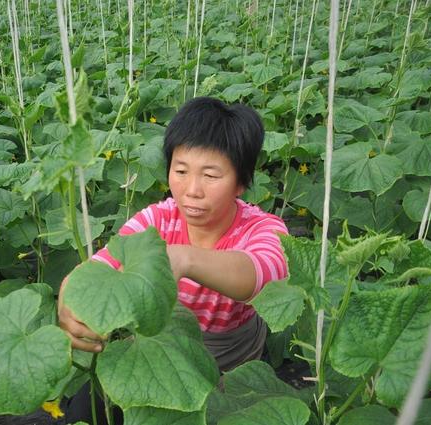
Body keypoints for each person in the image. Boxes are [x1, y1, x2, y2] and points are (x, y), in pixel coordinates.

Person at [58, 97, 289, 424]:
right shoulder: (157, 220)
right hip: (157, 352)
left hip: (227, 368)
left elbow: (266, 275)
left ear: (241, 182)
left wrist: (185, 258)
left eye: (210, 175)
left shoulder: (261, 227)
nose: (192, 190)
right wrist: (70, 291)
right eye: (181, 171)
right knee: (84, 412)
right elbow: (103, 264)